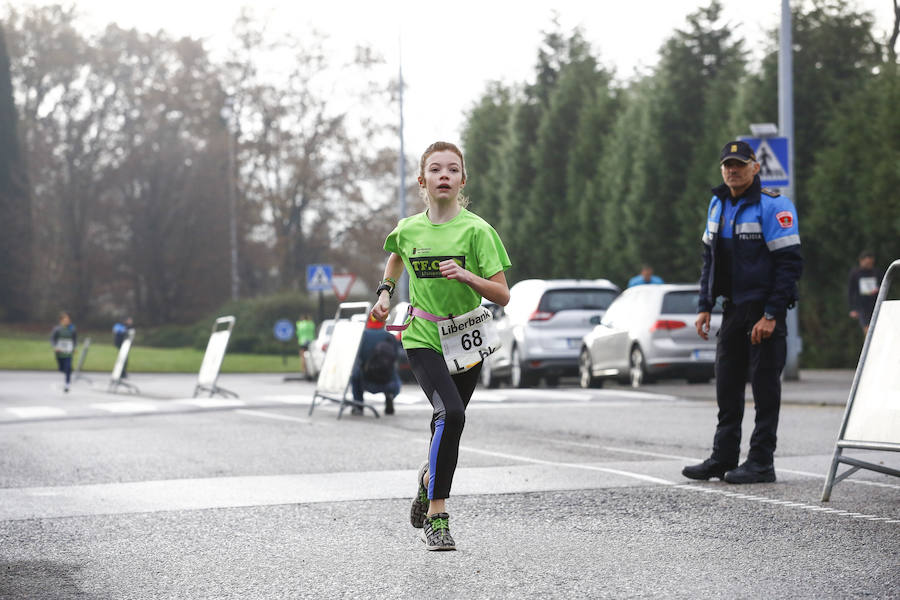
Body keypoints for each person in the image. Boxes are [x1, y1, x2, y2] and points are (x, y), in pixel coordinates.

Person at [371, 141, 511, 551]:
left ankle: (428, 478)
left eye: (453, 169)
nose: (444, 175)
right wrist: (385, 293)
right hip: (423, 337)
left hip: (467, 339)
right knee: (449, 412)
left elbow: (502, 294)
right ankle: (438, 516)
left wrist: (469, 278)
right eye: (436, 169)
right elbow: (396, 256)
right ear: (423, 181)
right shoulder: (409, 228)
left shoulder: (477, 231)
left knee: (448, 423)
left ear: (462, 180)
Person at [683, 140, 802, 485]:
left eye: (739, 164)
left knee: (765, 391)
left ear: (755, 167)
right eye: (727, 165)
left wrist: (772, 314)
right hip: (733, 310)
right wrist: (705, 305)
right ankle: (723, 459)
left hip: (764, 311)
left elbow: (789, 264)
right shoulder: (718, 203)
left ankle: (762, 462)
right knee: (727, 387)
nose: (732, 170)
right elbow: (710, 259)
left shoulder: (773, 206)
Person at [349, 315, 402, 416]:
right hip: (388, 381)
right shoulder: (390, 336)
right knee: (393, 370)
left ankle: (359, 406)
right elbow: (396, 357)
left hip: (366, 380)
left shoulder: (362, 336)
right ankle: (389, 396)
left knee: (355, 375)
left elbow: (356, 357)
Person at [847, 251, 881, 336]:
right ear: (861, 261)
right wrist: (852, 308)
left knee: (878, 329)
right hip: (862, 306)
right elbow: (851, 291)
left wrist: (878, 289)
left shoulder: (876, 272)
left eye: (871, 263)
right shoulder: (855, 273)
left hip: (875, 304)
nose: (870, 265)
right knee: (868, 331)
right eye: (867, 263)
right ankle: (870, 348)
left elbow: (883, 284)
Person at [50, 311, 77, 393]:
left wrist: (74, 347)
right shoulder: (57, 329)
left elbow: (74, 340)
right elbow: (52, 339)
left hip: (68, 352)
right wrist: (55, 347)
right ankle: (66, 370)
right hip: (60, 352)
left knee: (68, 367)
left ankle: (67, 384)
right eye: (66, 320)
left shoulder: (72, 330)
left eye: (68, 320)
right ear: (61, 320)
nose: (68, 321)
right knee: (62, 368)